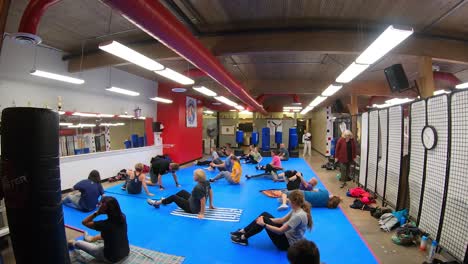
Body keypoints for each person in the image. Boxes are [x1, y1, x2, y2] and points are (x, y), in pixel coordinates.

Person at [230, 190, 312, 250]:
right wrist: (263, 219)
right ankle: (243, 231)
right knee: (264, 215)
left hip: (285, 244)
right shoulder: (296, 209)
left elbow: (280, 231)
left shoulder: (298, 216)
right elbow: (281, 220)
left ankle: (243, 238)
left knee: (264, 220)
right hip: (286, 235)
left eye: (289, 201)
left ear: (294, 202)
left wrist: (264, 224)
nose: (288, 202)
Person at [68, 196, 130, 263]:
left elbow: (84, 222)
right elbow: (109, 233)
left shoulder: (104, 224)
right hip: (125, 252)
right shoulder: (123, 217)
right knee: (111, 233)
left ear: (103, 209)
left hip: (110, 258)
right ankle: (91, 239)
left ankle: (74, 243)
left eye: (100, 205)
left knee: (78, 243)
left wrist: (97, 213)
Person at [147, 169, 214, 219]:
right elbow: (210, 192)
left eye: (194, 175)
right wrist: (211, 204)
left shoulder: (198, 187)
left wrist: (202, 213)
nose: (193, 176)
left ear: (198, 177)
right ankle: (166, 201)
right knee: (182, 192)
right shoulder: (206, 182)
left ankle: (157, 203)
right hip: (194, 202)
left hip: (192, 208)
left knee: (174, 197)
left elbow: (203, 200)